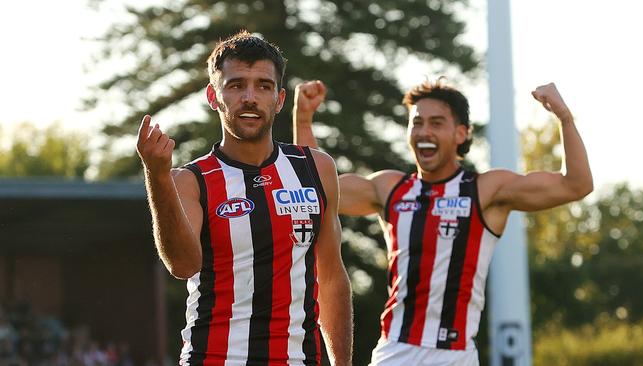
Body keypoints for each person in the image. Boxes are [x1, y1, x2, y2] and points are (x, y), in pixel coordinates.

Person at [293, 78, 592, 365]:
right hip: (395, 353)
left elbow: (576, 185)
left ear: (461, 134)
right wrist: (304, 121)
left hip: (455, 355)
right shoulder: (389, 189)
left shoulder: (486, 190)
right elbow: (314, 189)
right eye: (417, 123)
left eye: (436, 123)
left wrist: (564, 117)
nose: (424, 132)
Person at [136, 31, 352, 365]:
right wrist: (157, 175)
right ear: (213, 96)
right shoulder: (190, 181)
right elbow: (182, 265)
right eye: (236, 85)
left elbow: (332, 277)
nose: (250, 97)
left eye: (263, 86)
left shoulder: (316, 167)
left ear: (279, 100)